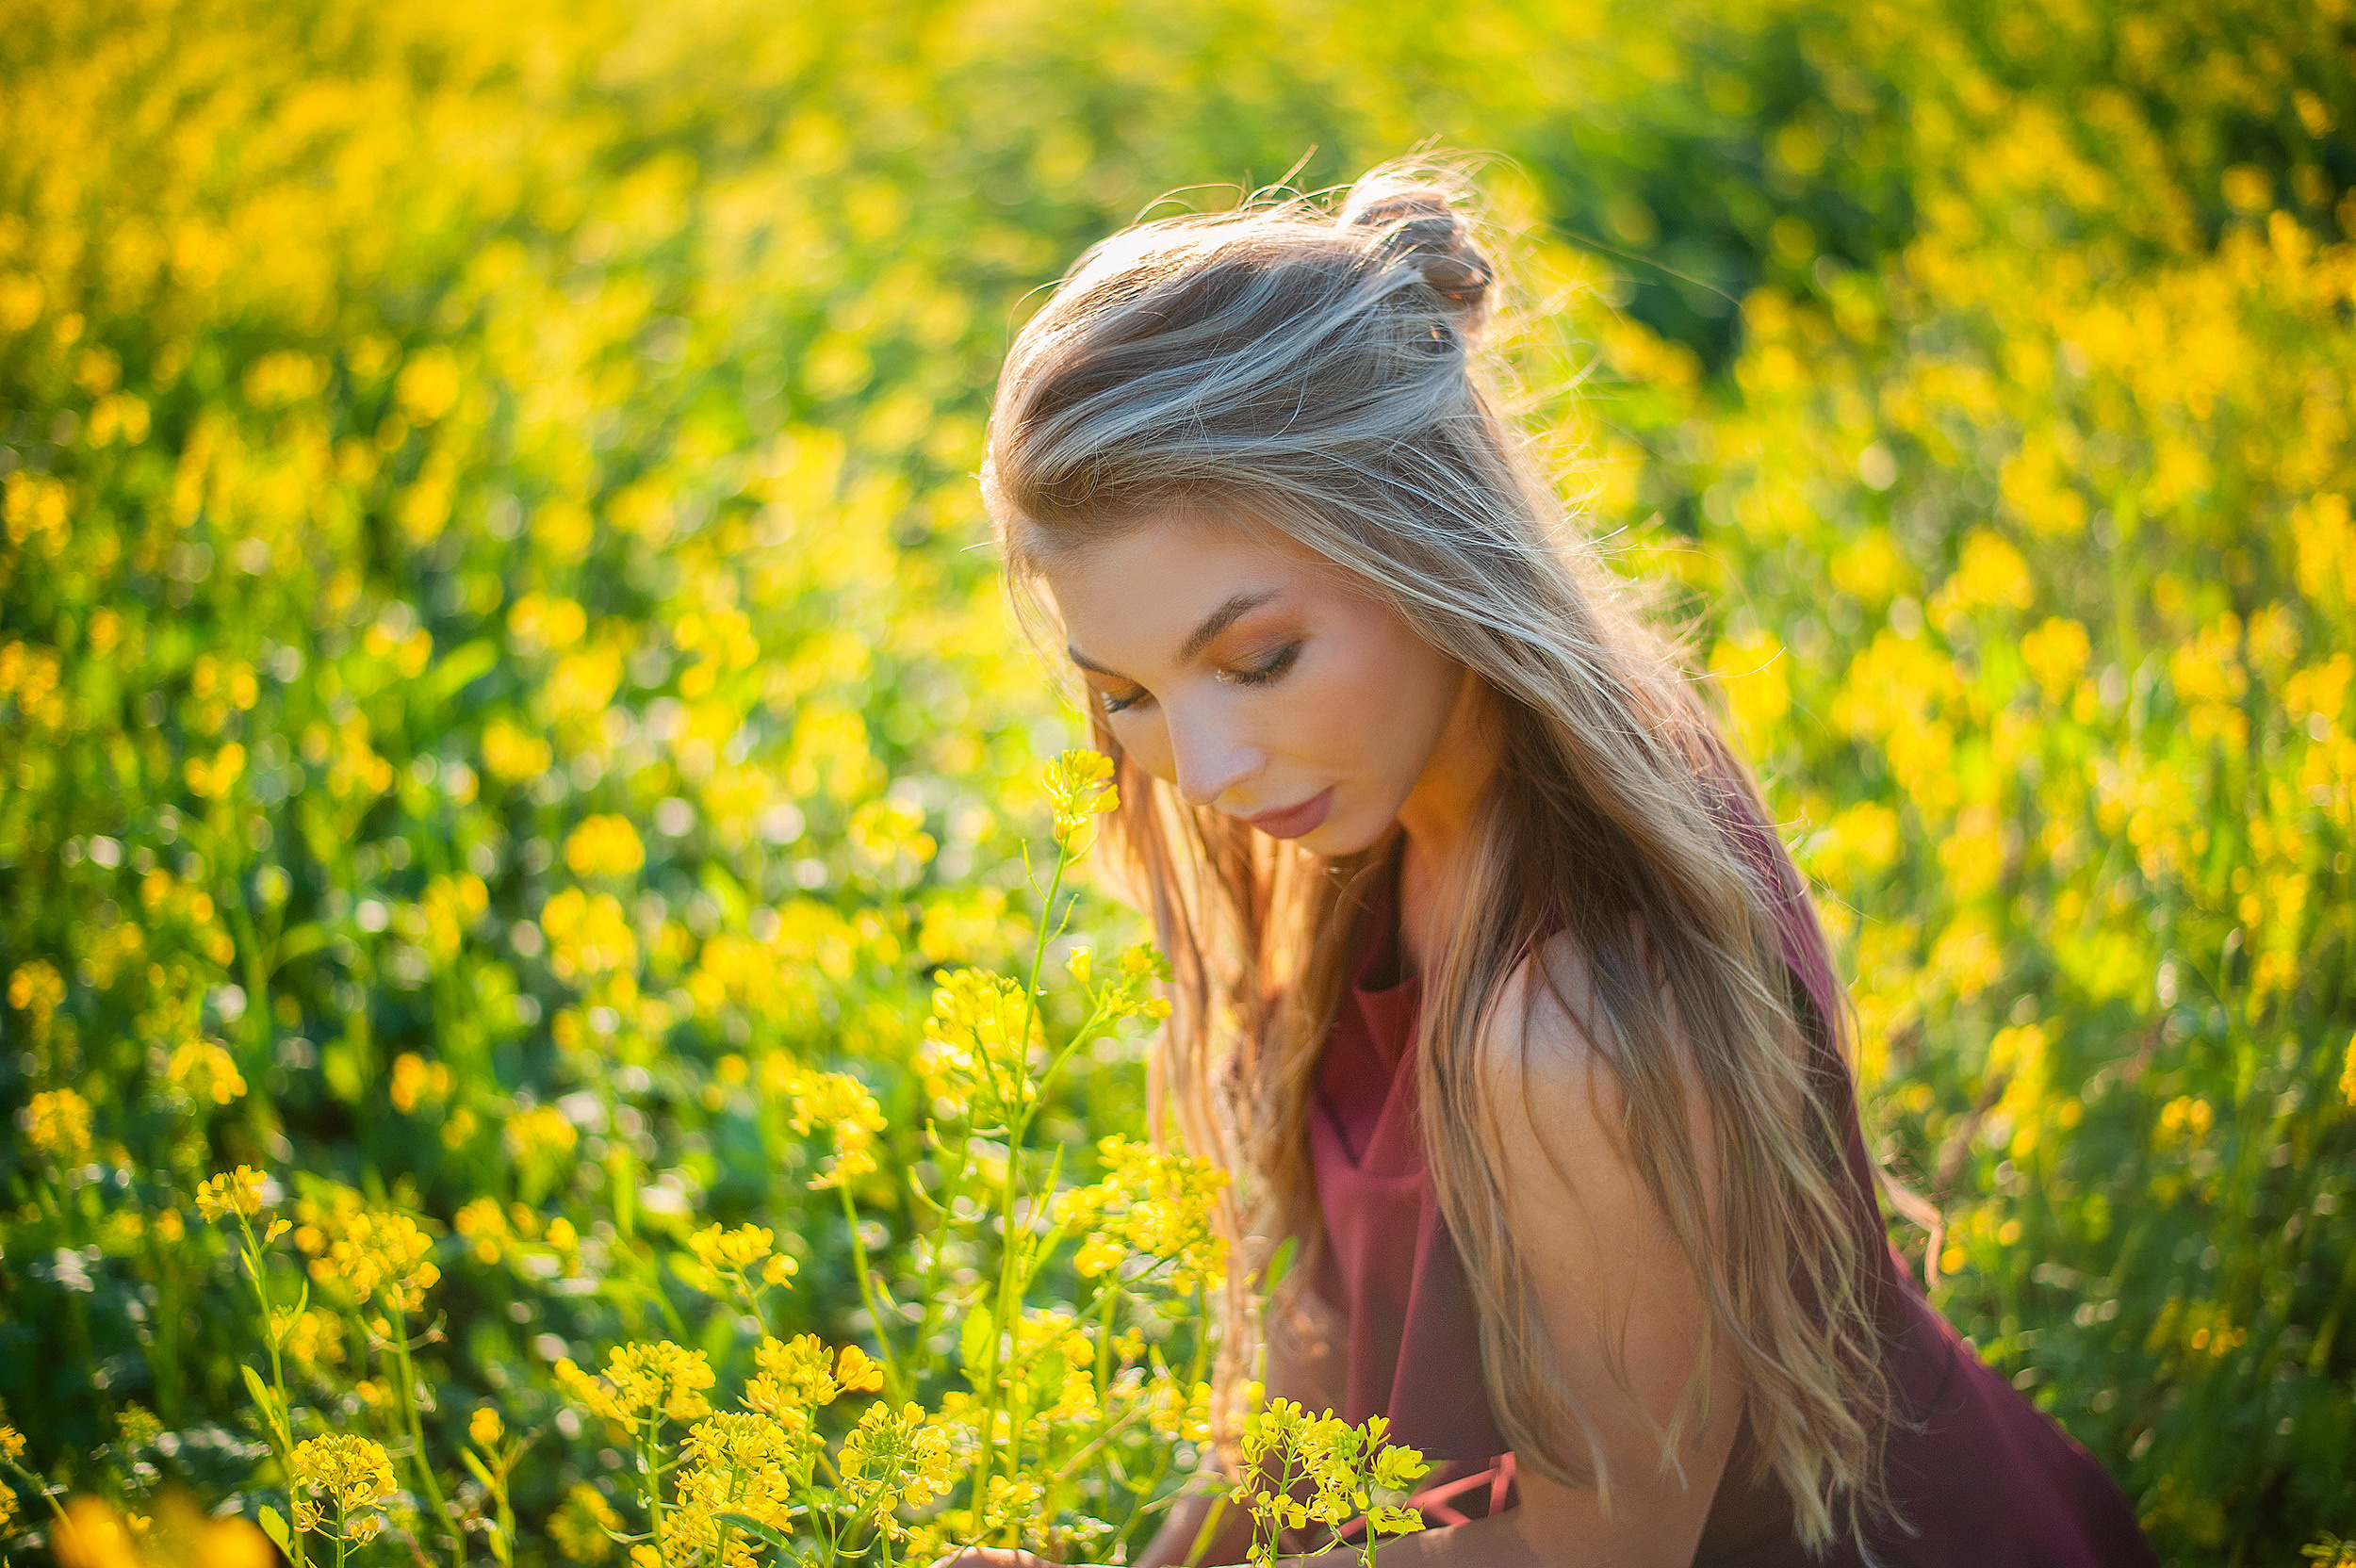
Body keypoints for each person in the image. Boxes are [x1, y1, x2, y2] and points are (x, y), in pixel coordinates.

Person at [960, 158, 2156, 1567]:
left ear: (1424, 544)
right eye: (1129, 694)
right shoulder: (1382, 816)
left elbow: (1601, 1550)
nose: (1206, 770)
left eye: (1258, 659)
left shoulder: (1570, 1016)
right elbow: (1322, 1330)